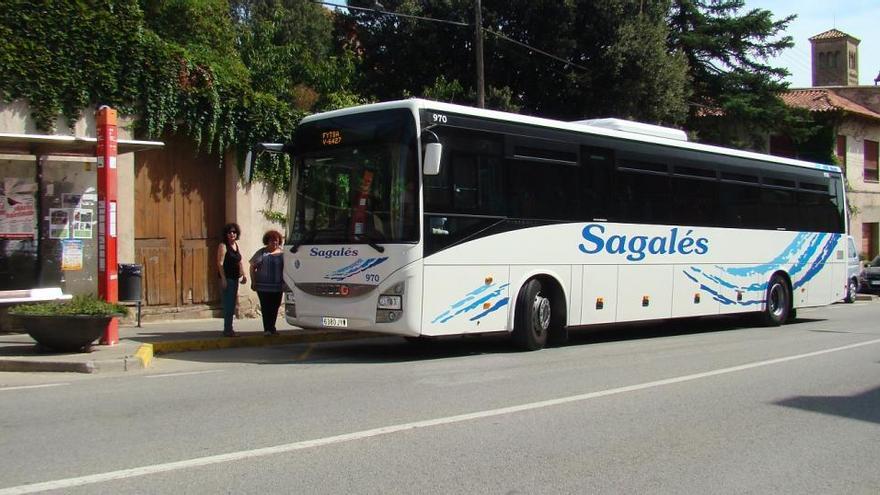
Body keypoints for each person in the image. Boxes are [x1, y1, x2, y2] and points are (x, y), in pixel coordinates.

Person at [250, 230, 285, 336]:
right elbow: (252, 267)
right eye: (272, 240)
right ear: (267, 241)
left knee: (275, 307)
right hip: (263, 286)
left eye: (276, 240)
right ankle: (267, 329)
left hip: (277, 286)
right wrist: (253, 281)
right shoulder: (262, 253)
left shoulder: (283, 254)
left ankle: (272, 327)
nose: (274, 242)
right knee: (266, 307)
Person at [217, 223, 246, 337]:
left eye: (234, 232)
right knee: (228, 305)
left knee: (232, 304)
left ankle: (230, 328)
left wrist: (243, 274)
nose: (232, 234)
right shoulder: (223, 246)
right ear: (226, 234)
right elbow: (220, 263)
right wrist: (223, 279)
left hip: (235, 278)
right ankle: (227, 329)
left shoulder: (236, 245)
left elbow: (239, 261)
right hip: (227, 278)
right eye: (230, 232)